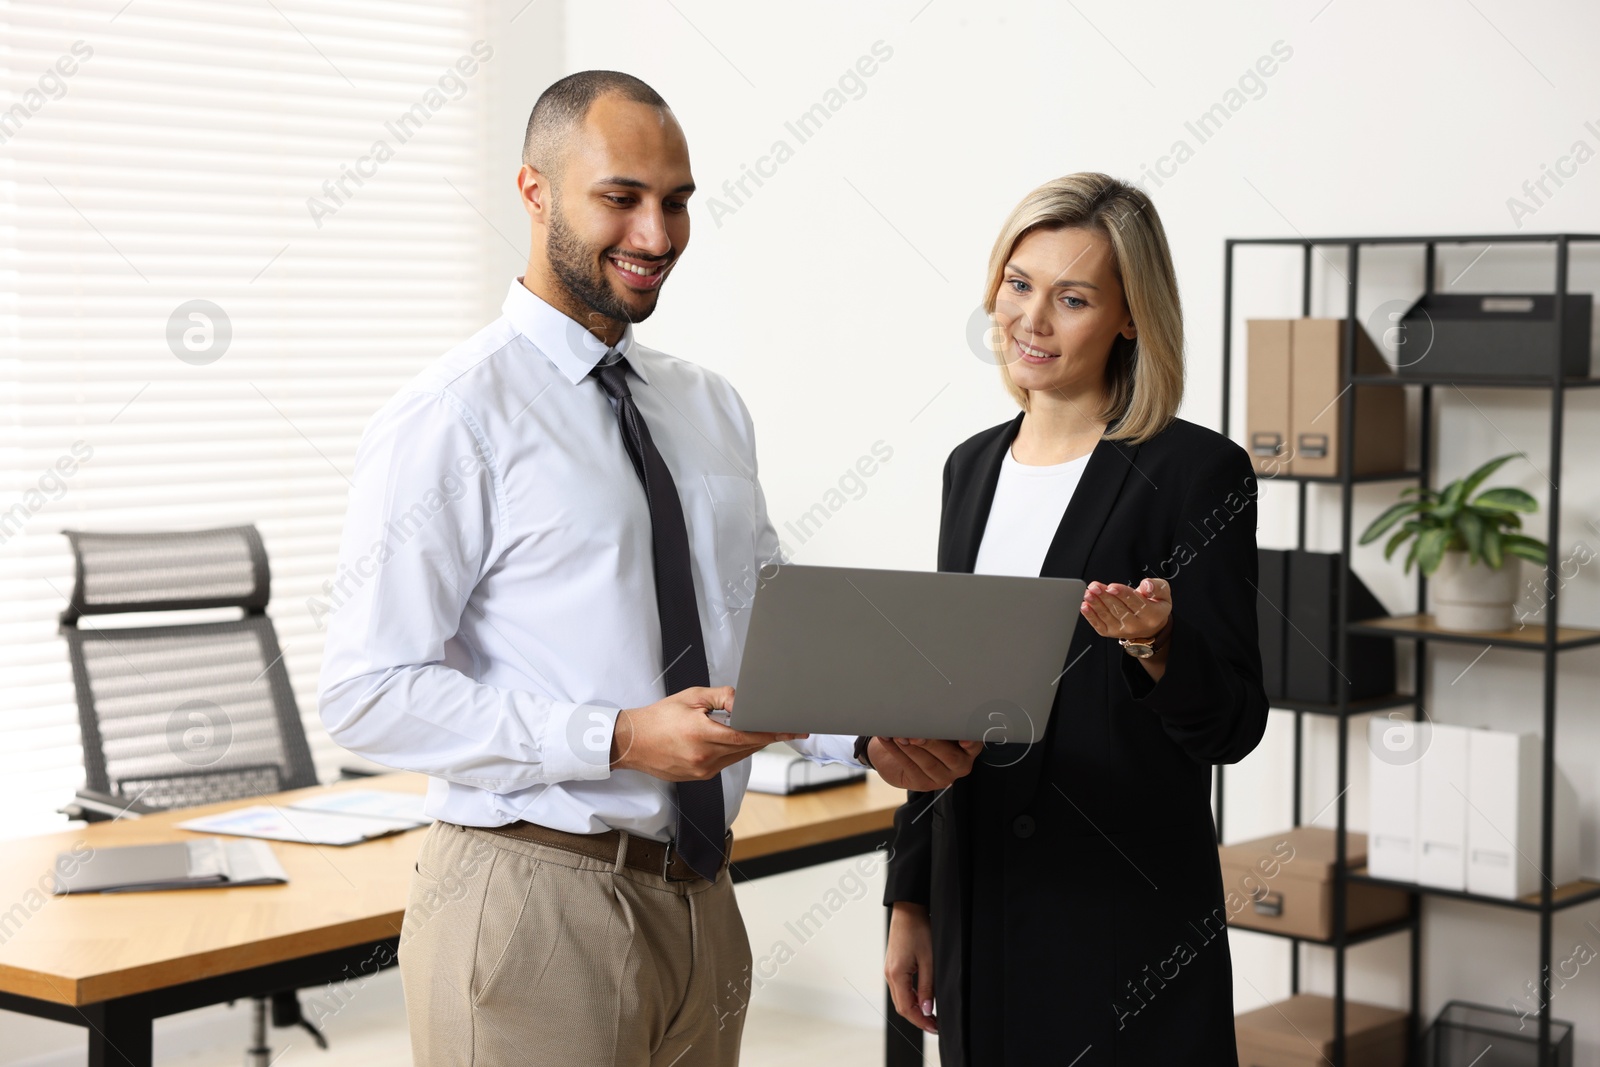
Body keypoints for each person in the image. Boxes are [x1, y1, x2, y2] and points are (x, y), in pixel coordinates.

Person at [316, 71, 979, 1066]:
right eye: (620, 197)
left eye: (675, 202)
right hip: (530, 897)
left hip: (704, 903)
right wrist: (617, 734)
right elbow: (367, 693)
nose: (656, 235)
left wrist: (865, 730)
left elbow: (758, 622)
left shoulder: (707, 406)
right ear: (535, 192)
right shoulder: (451, 416)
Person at [878, 172, 1270, 1065]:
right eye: (1020, 285)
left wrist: (1159, 644)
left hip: (1122, 918)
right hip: (978, 900)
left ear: (1130, 317)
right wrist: (912, 898)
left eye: (1074, 297)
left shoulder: (1197, 472)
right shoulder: (969, 469)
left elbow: (1235, 722)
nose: (1032, 320)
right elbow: (942, 701)